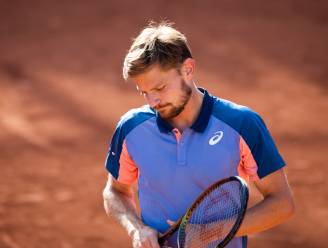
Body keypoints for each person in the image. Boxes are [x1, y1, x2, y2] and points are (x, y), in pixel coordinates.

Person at [102, 22, 295, 248]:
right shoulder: (131, 128)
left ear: (188, 69)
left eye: (160, 88)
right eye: (144, 92)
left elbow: (282, 203)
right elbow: (115, 191)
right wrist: (137, 229)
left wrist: (211, 232)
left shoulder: (242, 123)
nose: (153, 102)